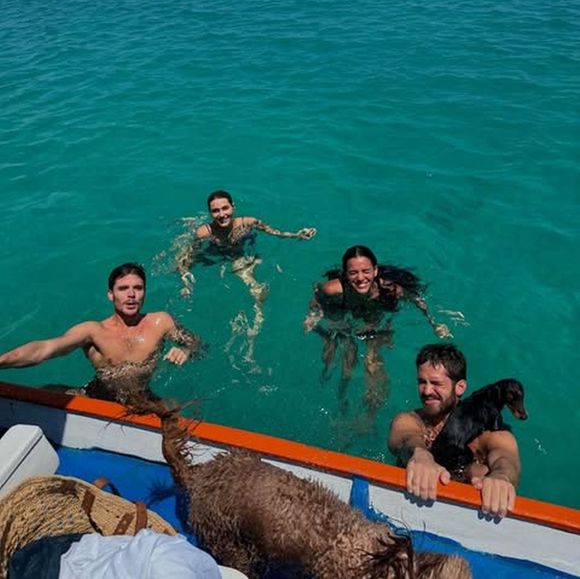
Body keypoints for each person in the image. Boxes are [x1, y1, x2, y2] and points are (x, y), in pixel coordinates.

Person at [0, 263, 203, 403]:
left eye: (138, 288)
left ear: (144, 292)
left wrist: (186, 350)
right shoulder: (93, 331)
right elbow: (45, 349)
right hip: (96, 397)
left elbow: (199, 346)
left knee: (178, 416)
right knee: (40, 394)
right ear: (110, 294)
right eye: (123, 289)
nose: (131, 295)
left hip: (145, 400)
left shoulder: (161, 322)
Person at [304, 245, 451, 417]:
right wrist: (314, 314)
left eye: (366, 271)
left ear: (375, 271)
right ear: (345, 274)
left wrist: (434, 323)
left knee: (373, 357)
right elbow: (317, 293)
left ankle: (370, 411)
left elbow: (416, 299)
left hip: (375, 308)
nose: (360, 278)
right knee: (341, 352)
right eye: (353, 273)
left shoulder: (388, 288)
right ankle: (339, 395)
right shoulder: (333, 288)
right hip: (343, 307)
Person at [177, 190, 316, 362]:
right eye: (215, 211)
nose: (221, 214)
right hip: (218, 254)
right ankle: (255, 327)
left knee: (256, 282)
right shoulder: (204, 233)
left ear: (233, 207)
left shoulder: (249, 222)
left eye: (225, 208)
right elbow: (188, 256)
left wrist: (296, 235)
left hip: (242, 251)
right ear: (210, 213)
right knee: (256, 289)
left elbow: (275, 233)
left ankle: (256, 322)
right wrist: (185, 281)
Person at [388, 343, 521, 518]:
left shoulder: (488, 434)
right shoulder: (410, 420)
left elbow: (506, 459)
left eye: (436, 383)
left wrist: (502, 476)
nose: (427, 391)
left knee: (478, 472)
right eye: (422, 382)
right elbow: (405, 438)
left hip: (462, 506)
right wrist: (420, 453)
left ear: (460, 387)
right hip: (411, 502)